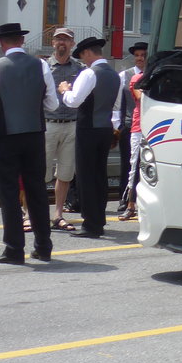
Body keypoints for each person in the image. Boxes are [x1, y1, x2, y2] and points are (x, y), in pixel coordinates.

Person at [0, 23, 60, 263]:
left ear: (2, 43)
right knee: (37, 190)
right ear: (21, 41)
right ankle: (44, 246)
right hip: (34, 134)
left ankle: (14, 249)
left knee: (9, 192)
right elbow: (52, 104)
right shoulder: (41, 65)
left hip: (5, 135)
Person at [58, 36, 121, 238]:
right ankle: (98, 219)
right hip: (105, 128)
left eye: (83, 56)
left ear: (87, 53)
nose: (83, 60)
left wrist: (65, 91)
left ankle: (91, 224)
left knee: (86, 176)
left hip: (88, 128)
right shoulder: (114, 75)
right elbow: (116, 104)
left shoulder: (89, 73)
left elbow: (74, 101)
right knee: (99, 176)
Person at [43, 26, 84, 231]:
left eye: (66, 40)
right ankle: (32, 213)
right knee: (40, 172)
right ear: (52, 43)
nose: (62, 43)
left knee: (66, 173)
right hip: (48, 124)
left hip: (71, 126)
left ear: (72, 44)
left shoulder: (80, 69)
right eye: (58, 39)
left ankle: (58, 214)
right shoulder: (43, 67)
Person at [116, 42, 147, 213]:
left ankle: (138, 199)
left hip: (146, 126)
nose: (140, 58)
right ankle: (124, 198)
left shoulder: (150, 75)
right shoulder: (125, 76)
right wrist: (118, 125)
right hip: (129, 124)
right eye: (137, 55)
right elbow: (118, 103)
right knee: (127, 164)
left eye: (143, 55)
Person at [119, 66, 145, 220]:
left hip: (157, 126)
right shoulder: (136, 78)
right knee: (135, 166)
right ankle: (130, 204)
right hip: (139, 127)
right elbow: (141, 97)